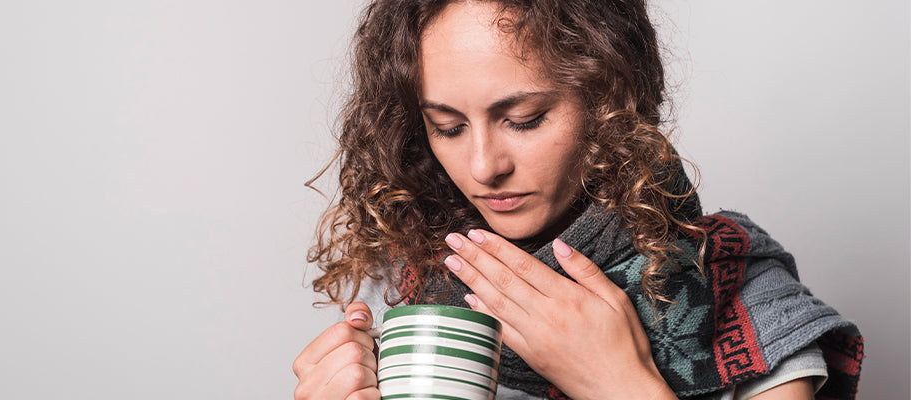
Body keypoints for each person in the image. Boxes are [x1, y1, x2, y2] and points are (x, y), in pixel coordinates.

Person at [292, 1, 863, 399]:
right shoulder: (400, 287)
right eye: (447, 127)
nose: (485, 166)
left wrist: (620, 384)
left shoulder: (742, 298)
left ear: (608, 98)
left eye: (524, 119)